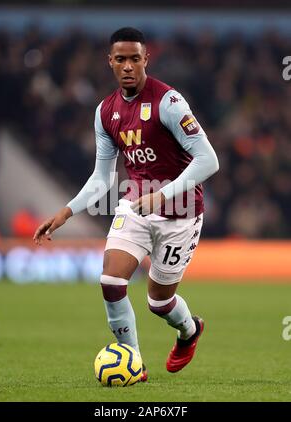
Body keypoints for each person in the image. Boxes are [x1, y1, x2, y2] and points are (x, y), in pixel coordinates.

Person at [33, 27, 219, 382]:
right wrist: (66, 211)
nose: (128, 66)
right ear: (110, 62)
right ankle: (134, 362)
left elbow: (209, 160)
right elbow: (102, 177)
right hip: (135, 207)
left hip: (181, 214)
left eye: (135, 58)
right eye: (121, 59)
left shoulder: (168, 101)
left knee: (159, 303)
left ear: (146, 59)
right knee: (110, 281)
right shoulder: (106, 111)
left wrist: (163, 194)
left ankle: (190, 331)